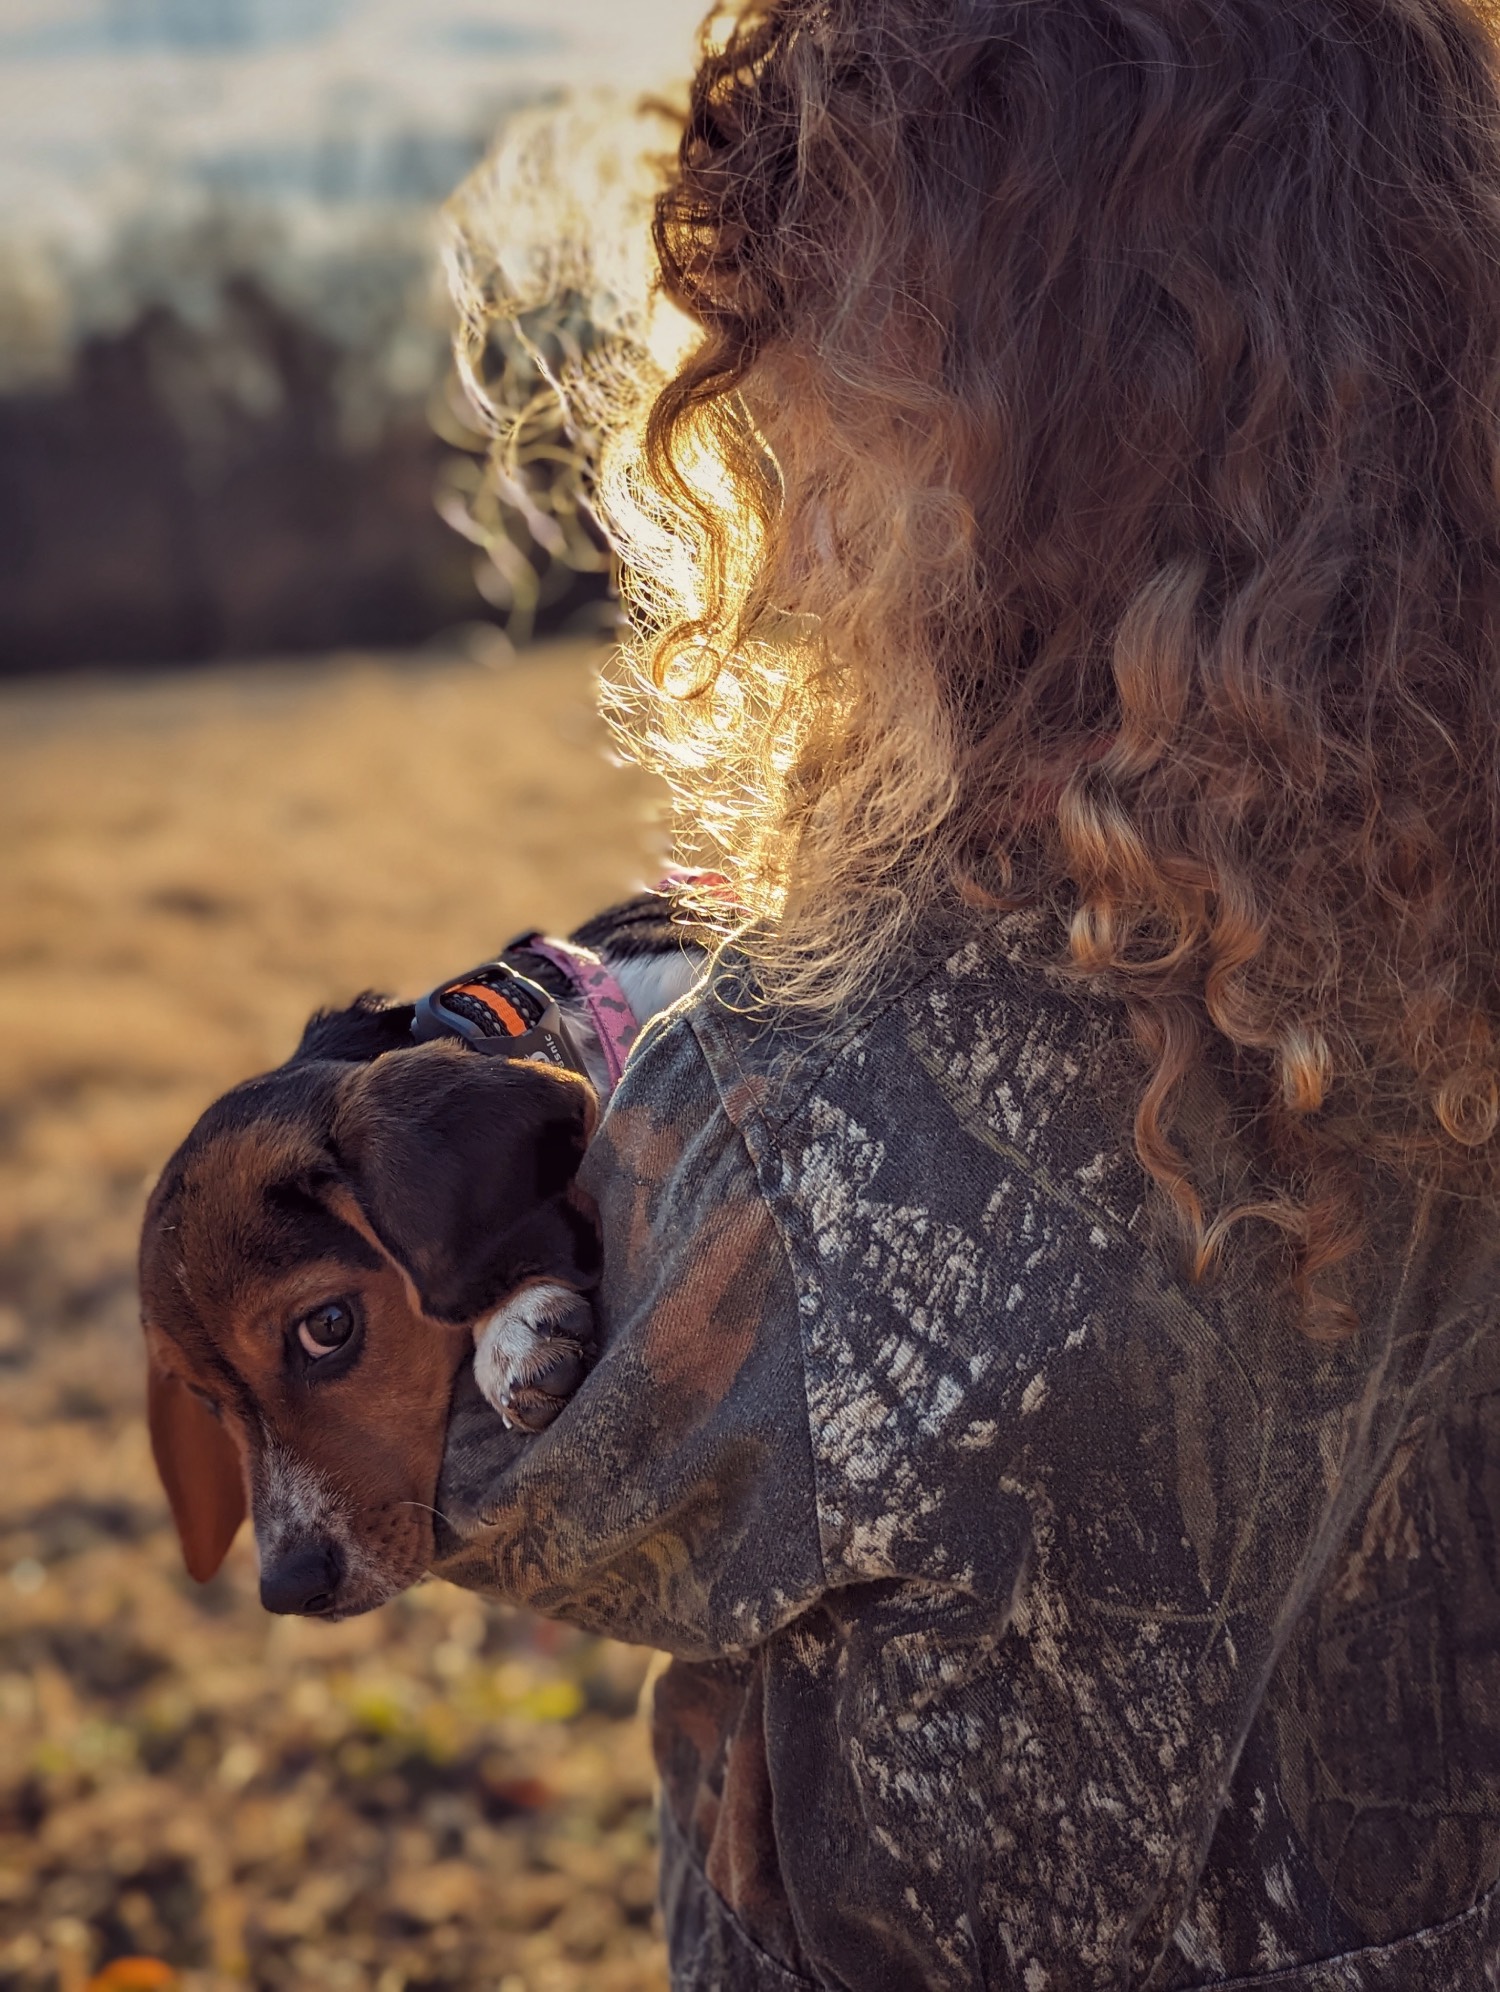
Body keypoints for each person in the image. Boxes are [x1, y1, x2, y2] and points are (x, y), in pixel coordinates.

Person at [434, 1, 1500, 1984]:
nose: (789, 544)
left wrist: (423, 1091)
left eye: (836, 441)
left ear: (1090, 477)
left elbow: (515, 1469)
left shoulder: (804, 1097)